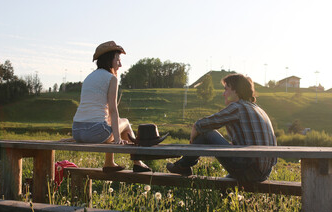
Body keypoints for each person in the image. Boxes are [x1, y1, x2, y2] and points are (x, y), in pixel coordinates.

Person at [167, 73, 277, 182]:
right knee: (223, 186)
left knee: (207, 133)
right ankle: (184, 165)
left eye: (226, 89)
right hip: (264, 173)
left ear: (236, 91)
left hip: (248, 170)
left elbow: (200, 125)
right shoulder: (259, 110)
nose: (223, 94)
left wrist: (192, 143)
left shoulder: (238, 107)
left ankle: (183, 165)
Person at [72, 41, 151, 173]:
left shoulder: (89, 77)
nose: (120, 64)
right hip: (95, 132)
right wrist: (118, 139)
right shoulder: (110, 78)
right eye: (118, 59)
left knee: (110, 124)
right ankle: (138, 162)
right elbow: (113, 110)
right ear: (110, 60)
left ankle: (109, 162)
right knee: (125, 122)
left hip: (77, 130)